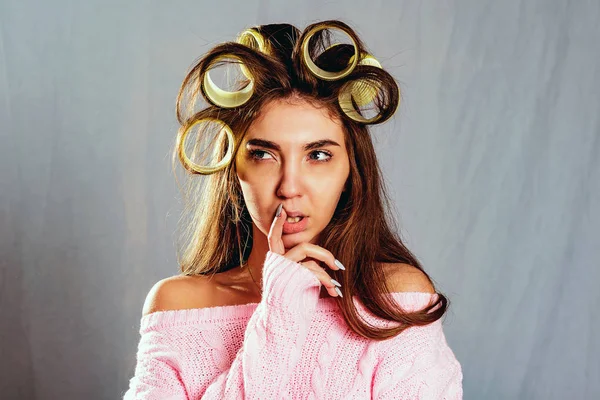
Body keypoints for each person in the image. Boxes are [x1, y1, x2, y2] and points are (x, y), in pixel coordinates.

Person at [123, 19, 463, 399]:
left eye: (318, 155)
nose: (289, 187)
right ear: (233, 169)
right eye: (264, 154)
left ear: (352, 170)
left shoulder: (396, 298)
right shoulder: (179, 306)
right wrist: (281, 314)